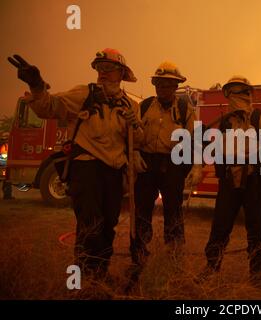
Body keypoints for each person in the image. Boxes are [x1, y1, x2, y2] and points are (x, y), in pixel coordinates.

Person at [8, 49, 143, 280]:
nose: (102, 73)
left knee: (108, 224)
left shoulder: (131, 106)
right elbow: (48, 107)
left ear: (121, 73)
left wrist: (135, 126)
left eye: (108, 69)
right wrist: (37, 85)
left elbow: (138, 141)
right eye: (99, 68)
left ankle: (100, 273)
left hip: (114, 172)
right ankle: (84, 276)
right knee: (91, 224)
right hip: (86, 167)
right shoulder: (83, 94)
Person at [195, 76, 261, 288]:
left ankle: (256, 273)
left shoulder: (260, 118)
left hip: (254, 180)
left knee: (255, 228)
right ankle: (211, 267)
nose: (237, 98)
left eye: (241, 93)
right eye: (232, 93)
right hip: (229, 180)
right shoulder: (226, 122)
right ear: (227, 96)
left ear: (249, 94)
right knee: (220, 226)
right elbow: (218, 149)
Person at [130, 61, 202, 266]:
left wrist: (196, 167)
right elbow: (133, 135)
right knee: (142, 209)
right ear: (155, 84)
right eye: (159, 83)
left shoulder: (184, 109)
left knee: (173, 209)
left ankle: (174, 255)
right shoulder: (143, 107)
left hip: (173, 165)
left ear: (176, 86)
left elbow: (195, 139)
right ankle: (139, 254)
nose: (163, 88)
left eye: (168, 84)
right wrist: (135, 153)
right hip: (146, 164)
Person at [0, 132, 14, 200]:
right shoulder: (4, 146)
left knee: (7, 181)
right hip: (3, 165)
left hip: (4, 165)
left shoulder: (6, 145)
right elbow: (3, 157)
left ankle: (7, 195)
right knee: (7, 180)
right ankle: (7, 195)